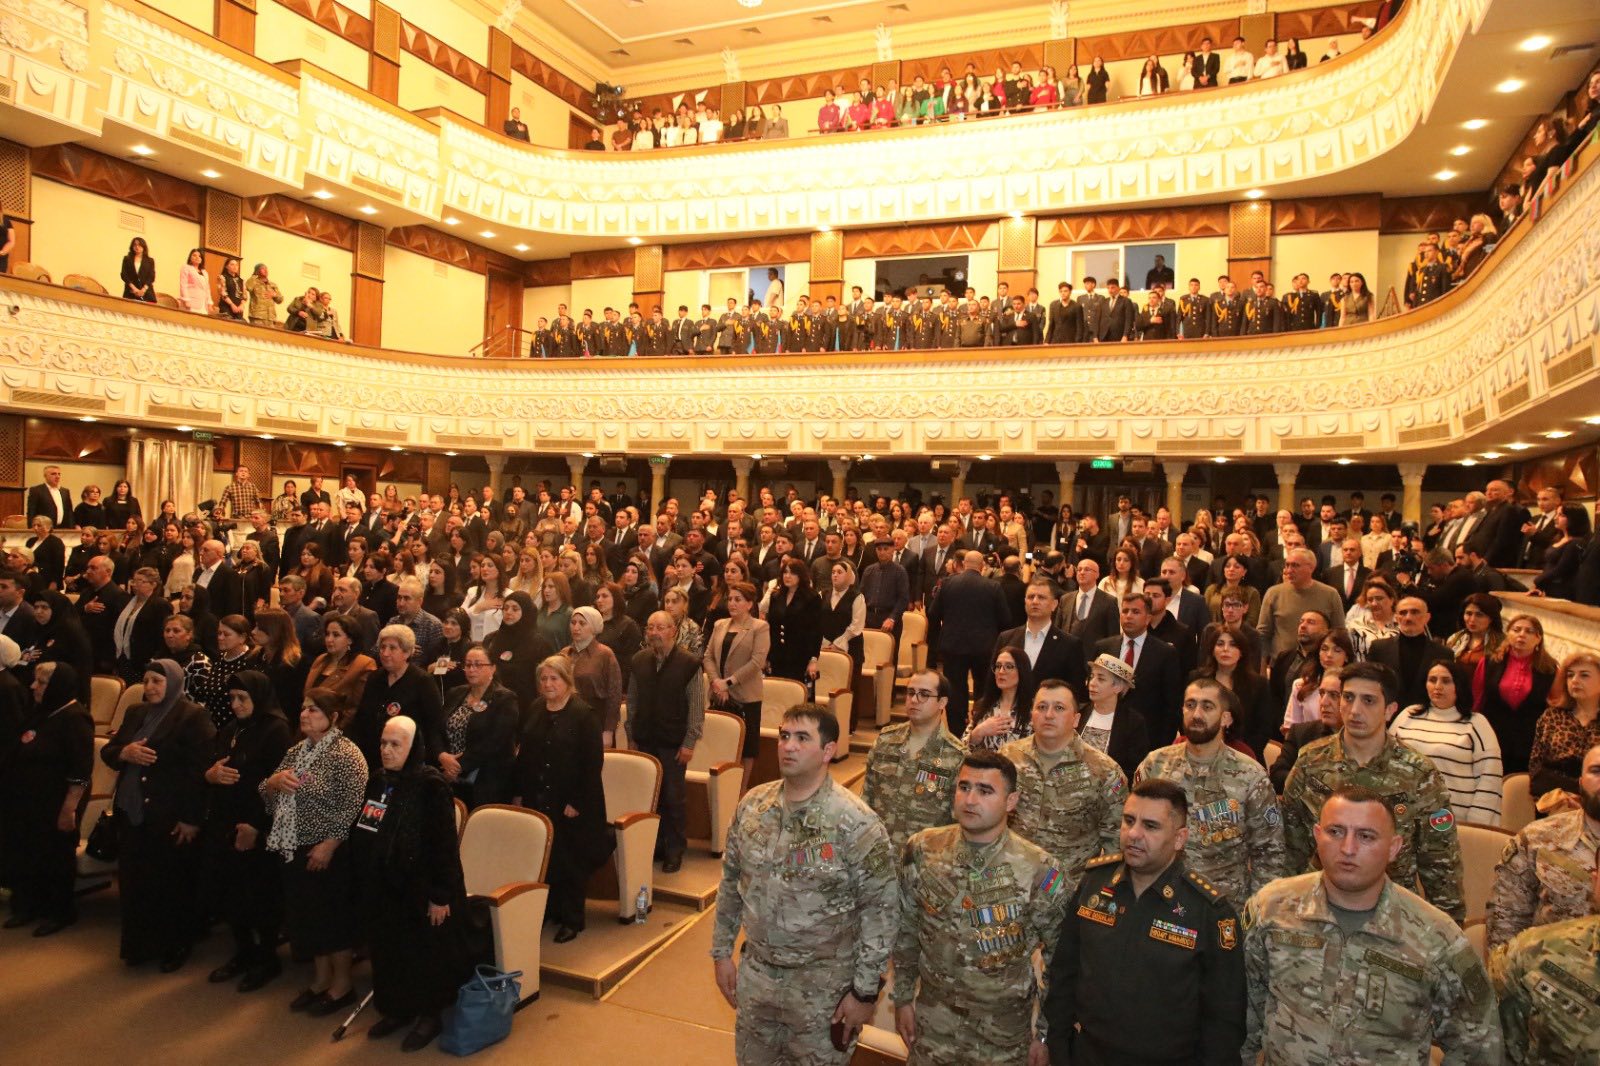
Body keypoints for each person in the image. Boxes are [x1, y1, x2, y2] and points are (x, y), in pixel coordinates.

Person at [1241, 787, 1502, 1065]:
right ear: (1317, 835)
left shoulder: (1436, 936)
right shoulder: (1271, 909)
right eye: (1335, 832)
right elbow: (1242, 1020)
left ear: (1394, 848)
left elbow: (1480, 1044)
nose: (1348, 848)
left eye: (1366, 836)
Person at [711, 703, 897, 1064]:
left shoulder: (855, 822)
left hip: (823, 991)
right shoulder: (753, 806)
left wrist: (864, 993)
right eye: (784, 736)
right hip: (758, 980)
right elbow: (731, 882)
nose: (788, 746)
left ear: (828, 751)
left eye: (802, 738)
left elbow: (881, 910)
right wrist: (721, 953)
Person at [1046, 779, 1247, 1065]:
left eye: (1151, 826)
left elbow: (1224, 1019)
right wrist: (1059, 1049)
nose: (1133, 834)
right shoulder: (1094, 884)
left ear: (1179, 838)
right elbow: (1064, 972)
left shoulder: (1209, 912)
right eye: (1129, 821)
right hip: (1089, 1055)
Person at [893, 751, 1069, 1066]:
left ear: (1011, 801)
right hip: (933, 1027)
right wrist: (903, 997)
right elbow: (906, 929)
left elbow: (1061, 960)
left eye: (985, 791)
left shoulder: (1039, 869)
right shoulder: (923, 849)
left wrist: (1045, 1034)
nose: (970, 799)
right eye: (964, 787)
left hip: (1001, 1039)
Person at [1281, 661, 1466, 922]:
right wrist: (1285, 911)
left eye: (1368, 700)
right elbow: (1289, 847)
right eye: (1348, 698)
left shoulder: (1419, 775)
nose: (1355, 710)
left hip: (1392, 915)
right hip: (1318, 909)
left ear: (1389, 710)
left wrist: (1449, 929)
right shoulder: (1311, 762)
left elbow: (1441, 862)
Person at [355, 716, 473, 1052]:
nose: (387, 750)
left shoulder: (431, 785)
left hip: (424, 888)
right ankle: (396, 1009)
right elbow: (367, 829)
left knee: (424, 955)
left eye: (396, 744)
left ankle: (429, 1016)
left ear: (413, 747)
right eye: (383, 743)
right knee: (389, 950)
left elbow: (444, 846)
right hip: (386, 885)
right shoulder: (378, 780)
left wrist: (440, 895)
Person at [102, 659, 215, 969]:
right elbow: (109, 751)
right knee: (135, 882)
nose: (150, 687)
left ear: (174, 683)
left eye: (157, 681)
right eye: (147, 680)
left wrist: (191, 818)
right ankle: (140, 946)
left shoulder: (192, 716)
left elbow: (199, 773)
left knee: (170, 883)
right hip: (132, 811)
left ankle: (175, 945)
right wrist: (124, 752)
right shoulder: (135, 712)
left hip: (169, 813)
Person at [262, 686, 368, 1016]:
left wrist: (329, 845)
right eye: (304, 708)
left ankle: (343, 986)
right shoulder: (297, 751)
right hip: (293, 845)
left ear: (333, 717)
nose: (304, 714)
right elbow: (267, 793)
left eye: (314, 710)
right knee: (309, 919)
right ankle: (321, 981)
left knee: (332, 921)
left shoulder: (347, 754)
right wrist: (273, 783)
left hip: (328, 850)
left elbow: (353, 806)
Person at [1133, 678, 1285, 904]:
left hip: (1222, 905)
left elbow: (1269, 853)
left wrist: (1257, 912)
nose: (1196, 714)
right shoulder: (1155, 765)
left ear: (1226, 718)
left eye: (1207, 706)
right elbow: (1134, 833)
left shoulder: (1250, 776)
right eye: (1190, 705)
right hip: (1159, 899)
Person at [201, 670, 292, 990]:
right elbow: (213, 766)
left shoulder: (276, 730)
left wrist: (256, 825)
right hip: (226, 820)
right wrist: (210, 775)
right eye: (232, 698)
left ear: (259, 697)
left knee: (260, 896)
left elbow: (279, 786)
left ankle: (266, 959)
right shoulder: (230, 729)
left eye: (243, 698)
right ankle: (243, 952)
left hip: (258, 823)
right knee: (232, 893)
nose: (236, 704)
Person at [513, 655, 612, 943]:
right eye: (543, 679)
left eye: (554, 679)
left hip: (572, 802)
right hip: (538, 796)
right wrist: (519, 792)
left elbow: (592, 763)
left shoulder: (584, 714)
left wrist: (576, 802)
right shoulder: (535, 708)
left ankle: (572, 919)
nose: (548, 684)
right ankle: (551, 910)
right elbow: (524, 755)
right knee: (546, 857)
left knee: (570, 860)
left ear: (567, 681)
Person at [1000, 680, 1125, 886]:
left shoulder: (1104, 771)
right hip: (1011, 881)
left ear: (1076, 719)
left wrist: (1099, 890)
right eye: (1041, 707)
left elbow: (1116, 841)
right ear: (1031, 715)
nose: (1049, 715)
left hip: (1070, 888)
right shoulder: (1008, 757)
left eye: (1059, 708)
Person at [0, 661, 93, 936]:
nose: (33, 686)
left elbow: (80, 770)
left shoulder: (75, 718)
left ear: (57, 686)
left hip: (56, 802)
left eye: (41, 682)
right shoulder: (42, 712)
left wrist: (69, 808)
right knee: (26, 854)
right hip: (27, 801)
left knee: (54, 858)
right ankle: (28, 906)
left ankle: (59, 912)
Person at [1486, 740, 1600, 952]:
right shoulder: (1537, 839)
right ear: (1581, 782)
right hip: (1551, 968)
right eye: (1597, 771)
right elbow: (1505, 923)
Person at [627, 611, 704, 872]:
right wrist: (631, 736)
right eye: (650, 628)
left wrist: (690, 742)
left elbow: (696, 707)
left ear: (674, 631)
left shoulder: (689, 664)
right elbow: (633, 702)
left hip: (673, 743)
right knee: (650, 797)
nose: (654, 633)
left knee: (673, 798)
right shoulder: (639, 660)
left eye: (660, 628)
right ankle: (656, 844)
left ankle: (675, 849)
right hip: (644, 740)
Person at [862, 669, 966, 853]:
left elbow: (958, 820)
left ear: (942, 702)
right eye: (911, 693)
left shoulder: (957, 755)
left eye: (924, 694)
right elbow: (866, 798)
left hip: (926, 857)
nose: (914, 700)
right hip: (880, 852)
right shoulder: (886, 740)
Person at [1387, 660, 1502, 825]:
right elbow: (1386, 761)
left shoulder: (1476, 723)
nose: (1438, 686)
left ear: (1458, 686)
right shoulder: (1407, 715)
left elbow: (1490, 777)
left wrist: (1477, 824)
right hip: (1405, 817)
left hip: (1454, 821)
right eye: (1432, 680)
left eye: (1446, 681)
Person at [928, 550, 1011, 735]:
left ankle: (957, 732)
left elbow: (933, 613)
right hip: (984, 647)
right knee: (983, 688)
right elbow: (1005, 619)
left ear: (963, 564)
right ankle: (979, 726)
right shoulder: (993, 586)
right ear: (982, 566)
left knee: (954, 689)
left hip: (953, 645)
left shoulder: (948, 584)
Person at [349, 625, 445, 770]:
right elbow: (362, 717)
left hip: (407, 759)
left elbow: (435, 724)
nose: (385, 653)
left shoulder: (422, 681)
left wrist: (439, 753)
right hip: (372, 756)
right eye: (382, 647)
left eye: (392, 648)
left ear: (407, 652)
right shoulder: (375, 678)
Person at [703, 581, 769, 788]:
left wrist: (728, 683)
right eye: (730, 599)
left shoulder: (759, 627)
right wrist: (716, 682)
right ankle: (723, 788)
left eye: (737, 600)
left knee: (747, 747)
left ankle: (741, 789)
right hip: (718, 693)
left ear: (749, 604)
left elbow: (757, 662)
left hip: (746, 695)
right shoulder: (720, 625)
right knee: (720, 742)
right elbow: (708, 656)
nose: (732, 603)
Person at [1474, 613, 1558, 775]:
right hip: (1491, 735)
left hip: (1528, 741)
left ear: (1538, 639)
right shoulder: (1489, 662)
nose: (1522, 634)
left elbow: (1555, 707)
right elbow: (1477, 700)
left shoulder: (1550, 669)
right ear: (1508, 634)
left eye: (1529, 631)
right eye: (1516, 630)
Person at [438, 643, 519, 809]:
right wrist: (442, 756)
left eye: (478, 665)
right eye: (468, 665)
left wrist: (457, 766)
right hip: (448, 772)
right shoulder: (455, 693)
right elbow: (437, 729)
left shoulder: (505, 699)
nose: (471, 669)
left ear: (492, 668)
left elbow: (494, 742)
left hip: (485, 780)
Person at [1527, 651, 1600, 803]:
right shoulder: (1551, 717)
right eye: (1570, 675)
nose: (1575, 680)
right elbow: (1535, 769)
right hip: (1550, 802)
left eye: (1584, 675)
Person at [1078, 652, 1150, 780]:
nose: (1092, 683)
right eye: (1092, 676)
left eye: (1101, 679)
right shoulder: (1079, 713)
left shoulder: (1132, 722)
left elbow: (1134, 769)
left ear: (1117, 687)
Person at [563, 605, 623, 746]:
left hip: (596, 719)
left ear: (594, 626)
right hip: (568, 719)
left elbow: (614, 694)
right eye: (573, 622)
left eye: (582, 623)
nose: (576, 627)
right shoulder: (565, 653)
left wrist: (608, 730)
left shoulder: (604, 654)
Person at [963, 645, 1035, 752]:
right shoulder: (984, 705)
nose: (1001, 671)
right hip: (983, 762)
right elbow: (960, 749)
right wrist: (978, 732)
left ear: (1022, 670)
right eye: (998, 666)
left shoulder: (1034, 709)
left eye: (1009, 666)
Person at [120, 236, 156, 302]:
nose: (137, 247)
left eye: (139, 245)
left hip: (146, 293)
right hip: (130, 292)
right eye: (135, 245)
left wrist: (143, 290)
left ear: (144, 246)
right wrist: (134, 289)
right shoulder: (127, 259)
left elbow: (151, 277)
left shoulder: (150, 260)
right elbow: (124, 275)